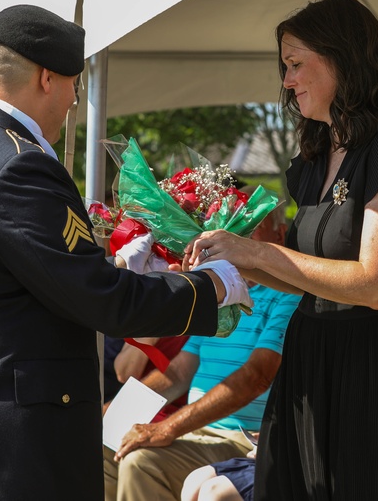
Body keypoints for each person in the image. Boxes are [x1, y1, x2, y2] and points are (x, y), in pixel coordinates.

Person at [0, 4, 251, 500]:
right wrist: (213, 284)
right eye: (72, 85)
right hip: (6, 452)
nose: (73, 101)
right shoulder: (20, 167)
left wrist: (117, 265)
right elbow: (102, 301)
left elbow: (19, 285)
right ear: (46, 78)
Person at [187, 0, 378, 499]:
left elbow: (375, 284)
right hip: (312, 358)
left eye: (296, 64)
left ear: (343, 59)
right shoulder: (316, 152)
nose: (287, 80)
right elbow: (302, 272)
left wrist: (257, 254)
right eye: (285, 66)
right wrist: (224, 264)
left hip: (375, 369)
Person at [103, 209, 299, 501]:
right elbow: (180, 372)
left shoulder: (289, 295)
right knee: (98, 448)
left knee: (142, 464)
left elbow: (256, 378)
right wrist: (115, 412)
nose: (237, 234)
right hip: (198, 433)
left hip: (243, 438)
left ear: (279, 235)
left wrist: (168, 427)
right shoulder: (224, 290)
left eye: (249, 225)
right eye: (230, 225)